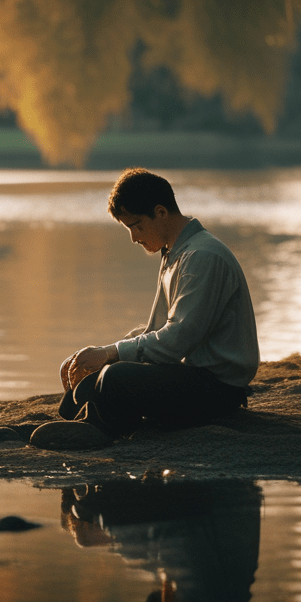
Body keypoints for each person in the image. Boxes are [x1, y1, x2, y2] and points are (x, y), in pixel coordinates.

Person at [53, 167, 259, 441]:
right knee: (81, 391)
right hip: (185, 374)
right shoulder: (174, 253)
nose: (134, 237)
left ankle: (102, 430)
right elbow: (158, 329)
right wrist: (98, 355)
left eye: (136, 225)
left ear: (161, 213)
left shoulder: (202, 257)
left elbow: (176, 340)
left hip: (216, 387)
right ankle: (94, 420)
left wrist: (111, 354)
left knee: (115, 378)